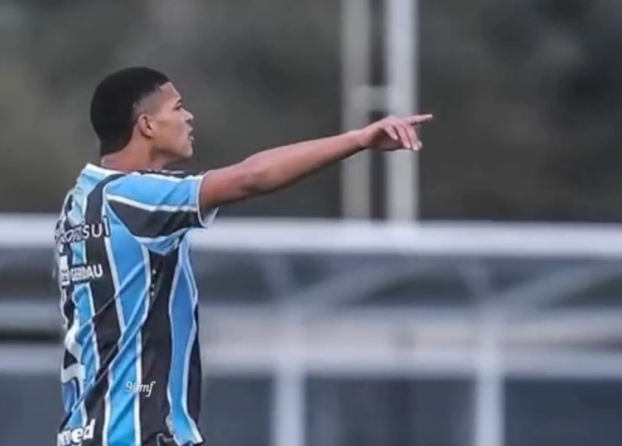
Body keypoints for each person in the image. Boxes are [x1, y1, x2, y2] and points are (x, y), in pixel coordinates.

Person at [53, 66, 432, 446]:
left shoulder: (78, 204)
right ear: (147, 125)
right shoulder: (131, 197)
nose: (189, 117)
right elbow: (250, 177)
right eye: (178, 108)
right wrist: (359, 139)